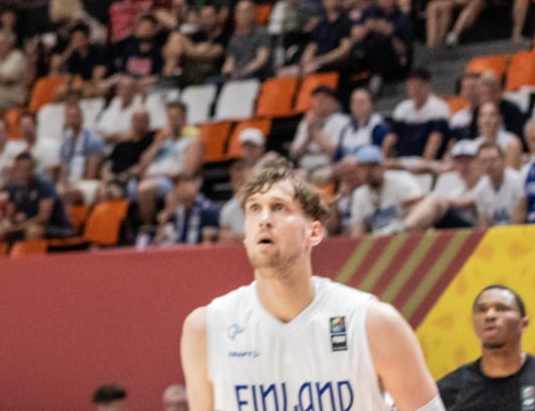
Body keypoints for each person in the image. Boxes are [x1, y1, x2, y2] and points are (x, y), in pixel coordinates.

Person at [179, 156, 441, 411]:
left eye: (279, 207)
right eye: (254, 209)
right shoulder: (206, 329)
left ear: (314, 232)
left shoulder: (373, 323)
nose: (264, 219)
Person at [435, 286, 535, 411]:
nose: (490, 316)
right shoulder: (450, 390)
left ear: (524, 324)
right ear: (473, 323)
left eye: (501, 308)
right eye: (482, 310)